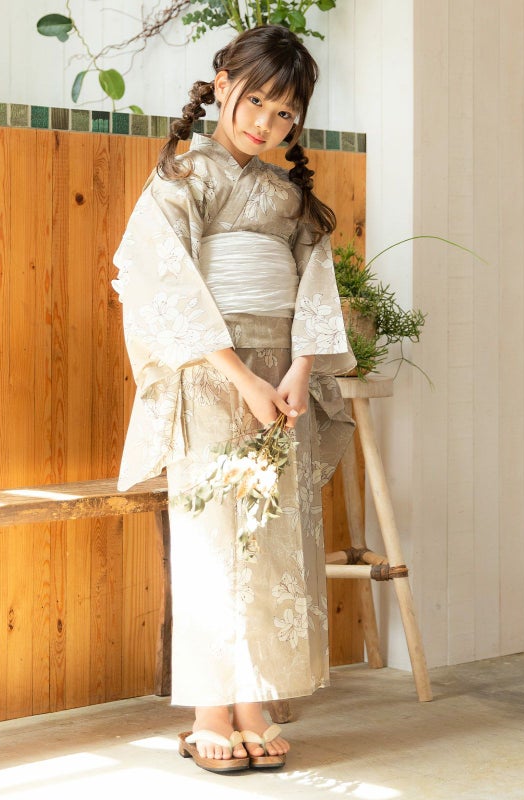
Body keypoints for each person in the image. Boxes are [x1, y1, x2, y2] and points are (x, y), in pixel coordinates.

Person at [113, 24, 356, 773]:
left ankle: (254, 700)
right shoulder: (184, 177)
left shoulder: (289, 198)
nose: (265, 124)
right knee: (214, 541)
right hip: (213, 375)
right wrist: (242, 378)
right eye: (255, 102)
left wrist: (299, 369)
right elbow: (163, 282)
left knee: (274, 538)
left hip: (281, 376)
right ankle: (210, 712)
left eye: (285, 114)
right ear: (222, 84)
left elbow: (315, 286)